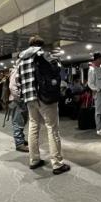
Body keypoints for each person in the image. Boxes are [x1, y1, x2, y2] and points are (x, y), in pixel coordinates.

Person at [17, 35, 70, 174]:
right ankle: (57, 164)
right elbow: (56, 70)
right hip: (44, 97)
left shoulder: (20, 60)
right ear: (41, 45)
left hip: (29, 98)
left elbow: (18, 80)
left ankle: (34, 160)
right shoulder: (43, 54)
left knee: (33, 127)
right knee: (52, 129)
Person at [7, 64, 29, 152]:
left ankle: (21, 139)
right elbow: (12, 86)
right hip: (17, 101)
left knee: (22, 121)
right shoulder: (17, 70)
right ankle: (19, 143)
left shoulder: (20, 69)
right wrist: (19, 98)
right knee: (17, 121)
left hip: (20, 100)